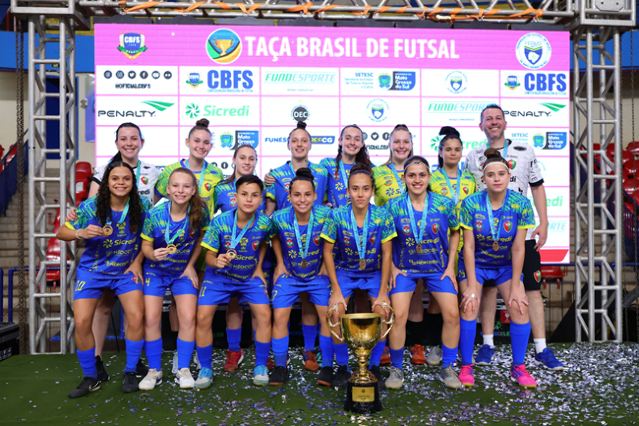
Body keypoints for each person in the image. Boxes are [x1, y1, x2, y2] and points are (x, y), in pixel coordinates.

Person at [464, 104, 564, 370]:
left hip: (521, 233)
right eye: (488, 119)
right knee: (487, 288)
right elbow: (468, 194)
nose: (493, 122)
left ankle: (541, 348)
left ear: (506, 124)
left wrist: (543, 221)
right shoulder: (472, 157)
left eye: (498, 118)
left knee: (530, 289)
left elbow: (537, 187)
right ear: (481, 126)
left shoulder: (524, 150)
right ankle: (487, 344)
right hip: (487, 234)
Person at [66, 122, 159, 382]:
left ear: (142, 141)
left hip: (132, 253)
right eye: (123, 139)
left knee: (134, 313)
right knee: (103, 309)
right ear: (116, 142)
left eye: (134, 138)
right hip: (103, 254)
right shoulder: (103, 171)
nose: (129, 143)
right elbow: (92, 207)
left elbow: (173, 193)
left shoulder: (153, 171)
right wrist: (78, 223)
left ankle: (134, 361)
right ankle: (95, 361)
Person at [57, 161, 152, 398]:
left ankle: (130, 371)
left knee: (136, 316)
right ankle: (91, 376)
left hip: (125, 272)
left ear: (133, 183)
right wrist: (80, 232)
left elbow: (147, 237)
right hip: (93, 272)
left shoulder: (142, 205)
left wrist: (137, 261)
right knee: (81, 322)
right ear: (107, 182)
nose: (121, 183)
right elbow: (61, 232)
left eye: (126, 179)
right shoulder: (91, 206)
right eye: (115, 179)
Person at [457, 149, 537, 388]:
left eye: (501, 173)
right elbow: (468, 248)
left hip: (504, 266)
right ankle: (466, 366)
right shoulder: (470, 204)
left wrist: (515, 286)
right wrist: (471, 285)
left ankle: (518, 368)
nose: (496, 178)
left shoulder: (521, 203)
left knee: (520, 307)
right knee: (470, 305)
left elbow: (518, 249)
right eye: (491, 175)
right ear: (483, 178)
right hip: (476, 264)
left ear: (508, 174)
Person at [385, 156, 462, 390]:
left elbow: (456, 232)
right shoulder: (393, 205)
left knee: (452, 315)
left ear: (429, 178)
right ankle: (396, 368)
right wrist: (392, 269)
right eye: (412, 175)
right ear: (404, 178)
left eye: (422, 175)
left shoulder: (444, 203)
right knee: (398, 316)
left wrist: (450, 266)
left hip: (438, 269)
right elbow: (386, 241)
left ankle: (447, 366)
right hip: (405, 270)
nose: (417, 180)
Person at [154, 118, 225, 374]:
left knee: (195, 296)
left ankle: (195, 349)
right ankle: (177, 352)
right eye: (196, 141)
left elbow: (218, 210)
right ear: (187, 142)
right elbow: (160, 205)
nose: (201, 146)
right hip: (175, 248)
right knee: (176, 299)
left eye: (206, 142)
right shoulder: (170, 170)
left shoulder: (216, 174)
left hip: (202, 245)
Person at [321, 164, 397, 389]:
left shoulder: (383, 215)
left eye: (365, 189)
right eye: (355, 189)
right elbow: (327, 251)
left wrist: (383, 291)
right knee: (335, 313)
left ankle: (373, 366)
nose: (360, 194)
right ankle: (343, 367)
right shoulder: (336, 215)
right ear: (347, 191)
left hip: (374, 273)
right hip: (345, 272)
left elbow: (386, 254)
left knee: (383, 311)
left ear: (373, 191)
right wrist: (336, 290)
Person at [194, 175, 273, 388]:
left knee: (265, 314)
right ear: (235, 197)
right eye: (244, 194)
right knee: (202, 317)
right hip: (219, 279)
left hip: (248, 279)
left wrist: (258, 266)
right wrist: (216, 261)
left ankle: (260, 366)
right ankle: (206, 368)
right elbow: (208, 256)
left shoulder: (265, 222)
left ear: (261, 198)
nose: (249, 199)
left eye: (255, 195)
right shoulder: (220, 221)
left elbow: (265, 243)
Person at [264, 121, 329, 371]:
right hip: (287, 241)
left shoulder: (322, 173)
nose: (300, 144)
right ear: (288, 144)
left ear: (310, 144)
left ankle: (310, 350)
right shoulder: (276, 174)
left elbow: (328, 203)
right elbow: (269, 208)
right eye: (295, 140)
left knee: (312, 302)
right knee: (282, 304)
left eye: (304, 140)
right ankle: (280, 356)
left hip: (313, 241)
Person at [138, 168, 210, 390]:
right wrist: (152, 255)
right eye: (176, 186)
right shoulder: (154, 214)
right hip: (155, 271)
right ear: (167, 189)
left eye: (186, 186)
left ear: (193, 190)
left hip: (182, 272)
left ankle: (183, 369)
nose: (181, 190)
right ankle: (154, 371)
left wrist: (190, 265)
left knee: (188, 317)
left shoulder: (200, 211)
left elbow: (201, 240)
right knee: (151, 318)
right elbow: (146, 246)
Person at [371, 124, 430, 365]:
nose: (401, 146)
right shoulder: (376, 172)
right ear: (389, 144)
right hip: (386, 241)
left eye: (406, 142)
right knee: (385, 292)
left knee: (415, 293)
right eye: (397, 142)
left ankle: (415, 344)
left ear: (411, 144)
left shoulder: (421, 171)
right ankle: (382, 345)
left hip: (414, 242)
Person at [269, 168, 333, 386]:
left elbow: (333, 241)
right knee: (279, 317)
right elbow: (274, 237)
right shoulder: (278, 217)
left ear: (315, 195)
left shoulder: (326, 215)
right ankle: (280, 366)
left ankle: (326, 366)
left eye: (307, 194)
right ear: (289, 197)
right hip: (290, 274)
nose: (302, 199)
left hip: (317, 275)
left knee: (328, 316)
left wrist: (326, 264)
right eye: (297, 195)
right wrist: (279, 262)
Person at [422, 127, 477, 366]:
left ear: (461, 152)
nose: (453, 153)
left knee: (463, 297)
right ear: (440, 152)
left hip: (466, 244)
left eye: (457, 149)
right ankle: (435, 344)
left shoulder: (470, 180)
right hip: (439, 246)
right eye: (448, 149)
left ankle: (458, 348)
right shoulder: (431, 178)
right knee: (437, 298)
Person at [213, 143, 268, 373]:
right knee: (234, 302)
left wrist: (260, 265)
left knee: (259, 307)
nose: (247, 162)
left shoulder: (265, 186)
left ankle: (261, 355)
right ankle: (234, 350)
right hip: (229, 259)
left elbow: (268, 223)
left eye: (251, 158)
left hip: (256, 258)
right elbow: (211, 221)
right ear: (234, 160)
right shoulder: (219, 189)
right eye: (242, 157)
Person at [319, 124, 373, 208]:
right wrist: (323, 204)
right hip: (335, 219)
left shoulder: (368, 167)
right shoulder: (327, 164)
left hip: (361, 219)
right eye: (348, 138)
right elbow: (316, 190)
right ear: (340, 141)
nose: (352, 142)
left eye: (357, 139)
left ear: (362, 143)